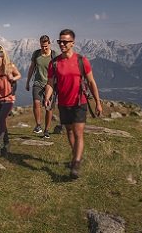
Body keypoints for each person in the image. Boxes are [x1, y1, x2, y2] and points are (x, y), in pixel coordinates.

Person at [44, 29, 103, 179]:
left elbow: (91, 82)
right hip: (63, 103)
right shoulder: (54, 63)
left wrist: (97, 102)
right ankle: (76, 155)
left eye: (65, 42)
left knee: (78, 133)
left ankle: (76, 163)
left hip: (79, 102)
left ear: (72, 43)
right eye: (60, 41)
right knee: (69, 132)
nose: (62, 44)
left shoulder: (81, 61)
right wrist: (47, 97)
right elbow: (50, 83)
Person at [0, 45, 21, 156]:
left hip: (8, 99)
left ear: (2, 57)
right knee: (1, 121)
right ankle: (7, 143)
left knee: (1, 120)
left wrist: (13, 78)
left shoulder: (10, 67)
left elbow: (18, 75)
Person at [25, 35, 58, 139]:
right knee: (36, 102)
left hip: (50, 84)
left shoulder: (54, 55)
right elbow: (31, 68)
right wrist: (27, 81)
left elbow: (59, 70)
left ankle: (46, 130)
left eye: (46, 46)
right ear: (40, 44)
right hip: (38, 82)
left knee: (48, 107)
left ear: (49, 44)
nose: (44, 48)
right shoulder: (36, 54)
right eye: (42, 46)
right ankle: (38, 125)